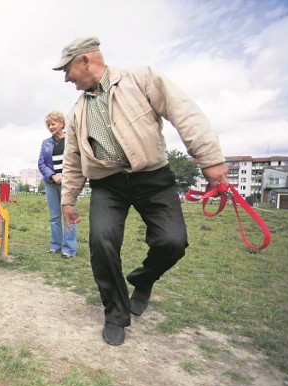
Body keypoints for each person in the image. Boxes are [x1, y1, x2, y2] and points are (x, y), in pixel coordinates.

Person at [52, 36, 228, 346]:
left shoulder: (140, 78)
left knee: (173, 242)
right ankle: (116, 315)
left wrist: (210, 159)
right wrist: (68, 199)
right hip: (108, 185)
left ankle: (142, 280)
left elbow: (183, 113)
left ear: (84, 61)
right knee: (101, 242)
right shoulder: (77, 111)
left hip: (152, 178)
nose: (66, 78)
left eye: (67, 70)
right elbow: (73, 160)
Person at [38, 111, 77, 258]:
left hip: (68, 183)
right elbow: (41, 163)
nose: (50, 127)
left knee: (69, 216)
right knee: (54, 217)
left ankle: (69, 249)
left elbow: (76, 161)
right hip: (50, 183)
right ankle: (55, 246)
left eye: (53, 124)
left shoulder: (72, 139)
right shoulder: (45, 143)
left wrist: (65, 176)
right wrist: (53, 176)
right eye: (48, 125)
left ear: (61, 123)